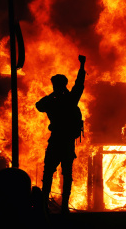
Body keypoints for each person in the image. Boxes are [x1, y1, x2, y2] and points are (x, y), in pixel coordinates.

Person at [36, 55, 86, 214]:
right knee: (64, 173)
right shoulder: (69, 99)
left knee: (51, 172)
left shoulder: (56, 100)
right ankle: (61, 206)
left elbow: (39, 105)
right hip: (65, 142)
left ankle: (47, 205)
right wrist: (82, 65)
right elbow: (79, 86)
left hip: (58, 141)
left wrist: (54, 94)